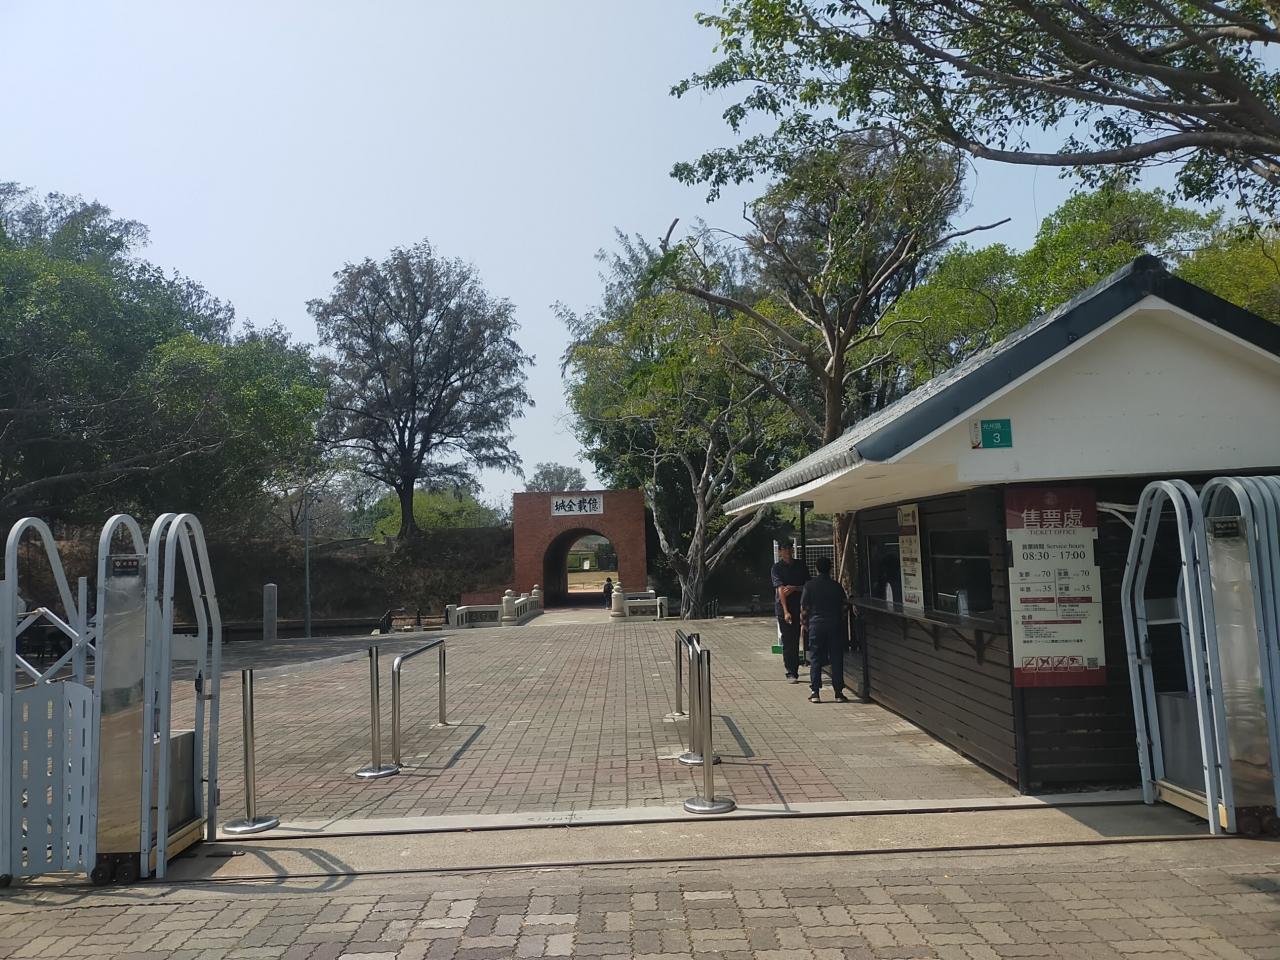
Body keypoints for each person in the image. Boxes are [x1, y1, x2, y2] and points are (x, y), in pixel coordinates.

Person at [800, 555, 850, 703]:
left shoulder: (809, 586)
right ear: (830, 569)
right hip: (834, 625)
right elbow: (844, 607)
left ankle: (815, 692)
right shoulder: (836, 586)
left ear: (816, 569)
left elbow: (804, 608)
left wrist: (805, 624)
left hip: (816, 625)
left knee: (815, 657)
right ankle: (838, 692)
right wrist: (840, 620)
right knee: (836, 657)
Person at [770, 543, 808, 682]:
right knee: (788, 640)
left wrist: (795, 588)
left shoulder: (800, 565)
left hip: (800, 606)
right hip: (783, 608)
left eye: (789, 548)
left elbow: (807, 585)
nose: (787, 551)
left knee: (797, 638)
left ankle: (796, 668)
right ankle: (790, 672)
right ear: (780, 552)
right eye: (784, 549)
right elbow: (780, 589)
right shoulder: (776, 568)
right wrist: (786, 611)